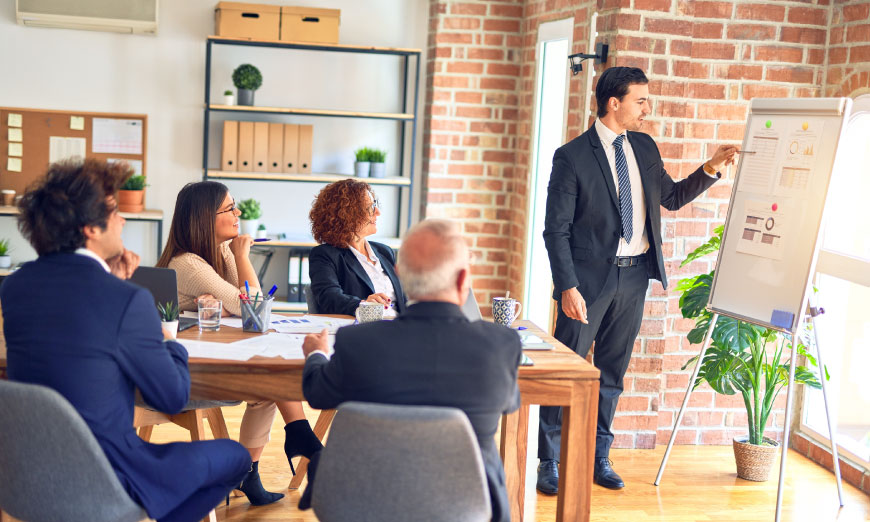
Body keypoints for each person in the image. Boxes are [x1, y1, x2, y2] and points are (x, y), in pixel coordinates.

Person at [2, 159, 250, 522]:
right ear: (89, 228)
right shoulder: (127, 301)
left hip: (25, 476)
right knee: (237, 458)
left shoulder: (14, 287)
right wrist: (168, 337)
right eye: (114, 211)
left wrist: (115, 283)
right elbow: (171, 397)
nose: (122, 221)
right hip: (108, 477)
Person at [537, 66, 738, 494]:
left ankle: (598, 457)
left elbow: (671, 197)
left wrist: (712, 167)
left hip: (634, 279)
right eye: (641, 101)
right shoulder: (571, 156)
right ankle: (548, 460)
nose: (648, 108)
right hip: (587, 283)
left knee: (612, 372)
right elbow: (555, 230)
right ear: (615, 103)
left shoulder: (645, 147)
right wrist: (567, 286)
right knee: (566, 370)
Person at [299, 219, 521, 522]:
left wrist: (316, 355)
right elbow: (510, 403)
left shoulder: (356, 342)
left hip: (361, 500)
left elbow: (316, 393)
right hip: (464, 503)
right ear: (462, 281)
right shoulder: (501, 345)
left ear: (400, 276)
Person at [157, 181, 322, 506]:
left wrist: (235, 255)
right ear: (205, 218)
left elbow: (251, 311)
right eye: (230, 208)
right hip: (185, 375)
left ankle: (252, 470)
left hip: (209, 358)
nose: (238, 213)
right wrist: (243, 255)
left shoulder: (218, 252)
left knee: (267, 386)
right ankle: (297, 440)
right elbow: (254, 308)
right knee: (269, 378)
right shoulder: (188, 262)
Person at [308, 179, 406, 316]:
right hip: (362, 329)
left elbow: (404, 299)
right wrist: (364, 304)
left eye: (375, 205)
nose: (377, 212)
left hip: (399, 327)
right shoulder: (324, 255)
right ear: (347, 214)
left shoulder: (385, 252)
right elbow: (329, 297)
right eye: (370, 207)